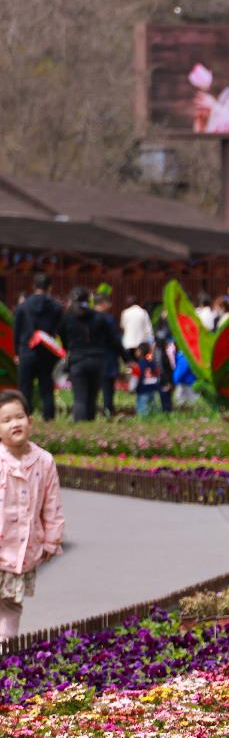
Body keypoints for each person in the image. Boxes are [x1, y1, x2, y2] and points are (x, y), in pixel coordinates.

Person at [0, 390, 64, 642]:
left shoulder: (44, 461)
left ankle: (4, 648)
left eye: (19, 417)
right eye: (6, 420)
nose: (14, 423)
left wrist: (51, 540)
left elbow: (52, 504)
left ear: (30, 420)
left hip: (20, 551)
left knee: (11, 605)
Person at [60, 288, 117, 422]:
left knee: (79, 397)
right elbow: (113, 340)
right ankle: (90, 422)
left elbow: (62, 335)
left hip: (77, 359)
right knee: (92, 395)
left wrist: (68, 348)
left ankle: (80, 425)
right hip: (97, 359)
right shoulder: (99, 317)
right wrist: (127, 359)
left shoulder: (68, 318)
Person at [14, 273, 64, 422]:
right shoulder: (56, 307)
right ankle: (48, 418)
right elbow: (60, 330)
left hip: (26, 351)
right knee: (47, 387)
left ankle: (24, 417)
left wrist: (16, 352)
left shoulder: (23, 307)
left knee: (25, 388)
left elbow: (16, 332)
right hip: (47, 352)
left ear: (34, 286)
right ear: (50, 287)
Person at [92, 294, 123, 418]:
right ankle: (107, 412)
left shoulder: (88, 318)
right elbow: (115, 340)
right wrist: (126, 358)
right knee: (108, 389)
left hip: (90, 358)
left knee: (91, 389)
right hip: (107, 358)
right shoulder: (108, 319)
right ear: (103, 303)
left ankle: (90, 412)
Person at [131, 342, 162, 416]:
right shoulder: (152, 363)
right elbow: (158, 375)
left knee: (142, 408)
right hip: (153, 388)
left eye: (137, 350)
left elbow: (135, 379)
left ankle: (144, 418)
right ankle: (155, 417)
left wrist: (132, 388)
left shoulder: (138, 365)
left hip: (142, 390)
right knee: (153, 406)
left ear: (140, 351)